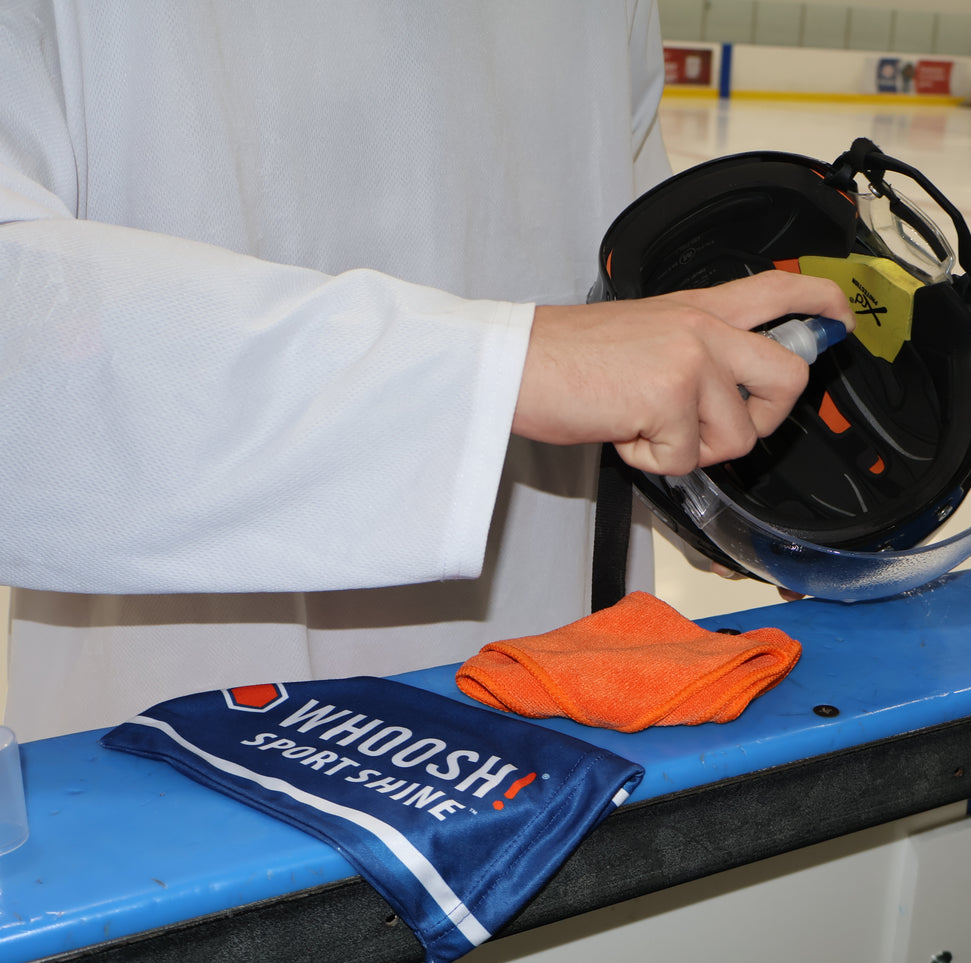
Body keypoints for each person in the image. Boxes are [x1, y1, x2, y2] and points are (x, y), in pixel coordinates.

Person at [0, 1, 851, 741]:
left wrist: (736, 488)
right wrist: (495, 369)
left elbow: (621, 255)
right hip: (194, 716)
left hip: (575, 692)